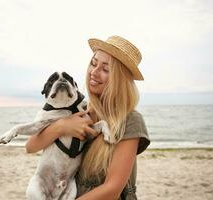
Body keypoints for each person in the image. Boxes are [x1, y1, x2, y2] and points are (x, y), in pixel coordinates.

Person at [25, 35, 151, 200]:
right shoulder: (80, 110)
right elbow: (30, 147)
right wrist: (62, 126)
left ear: (119, 80)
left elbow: (112, 189)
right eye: (93, 63)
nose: (94, 72)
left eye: (105, 69)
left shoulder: (130, 120)